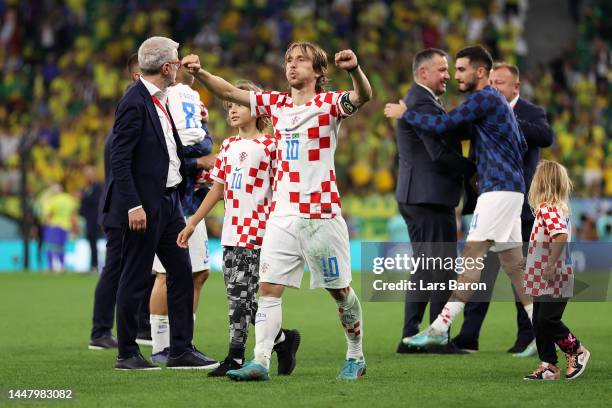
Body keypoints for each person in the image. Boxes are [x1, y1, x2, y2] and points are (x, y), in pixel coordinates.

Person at [182, 40, 372, 380]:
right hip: (282, 216)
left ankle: (355, 356)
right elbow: (228, 89)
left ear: (317, 71)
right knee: (268, 289)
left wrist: (355, 70)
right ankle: (260, 362)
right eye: (288, 59)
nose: (292, 65)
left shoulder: (328, 104)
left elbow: (363, 97)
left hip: (321, 214)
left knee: (340, 292)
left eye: (301, 60)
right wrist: (200, 72)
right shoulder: (276, 103)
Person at [385, 45, 532, 348]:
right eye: (447, 69)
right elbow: (516, 142)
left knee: (469, 258)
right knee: (513, 267)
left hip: (497, 190)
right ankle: (546, 331)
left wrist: (405, 114)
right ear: (423, 72)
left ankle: (439, 328)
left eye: (460, 69)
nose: (453, 75)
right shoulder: (495, 101)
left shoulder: (482, 98)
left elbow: (443, 126)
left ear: (480, 72)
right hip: (500, 189)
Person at [177, 80, 300, 377]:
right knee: (240, 297)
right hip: (232, 231)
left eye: (239, 104)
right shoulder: (229, 146)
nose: (232, 109)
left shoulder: (271, 146)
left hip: (261, 231)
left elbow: (285, 186)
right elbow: (216, 189)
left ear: (257, 109)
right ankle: (283, 340)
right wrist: (193, 221)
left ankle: (235, 357)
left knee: (240, 297)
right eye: (230, 105)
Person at [103, 36, 210, 370]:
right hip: (144, 208)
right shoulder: (134, 101)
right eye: (176, 61)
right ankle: (127, 353)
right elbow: (119, 158)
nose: (178, 65)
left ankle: (180, 350)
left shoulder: (160, 100)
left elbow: (166, 152)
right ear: (166, 68)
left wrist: (196, 166)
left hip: (169, 203)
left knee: (181, 271)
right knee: (134, 277)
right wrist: (133, 204)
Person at [454, 62, 554, 355]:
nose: (495, 87)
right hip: (489, 201)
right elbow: (473, 151)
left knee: (520, 275)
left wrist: (505, 117)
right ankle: (467, 337)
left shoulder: (530, 112)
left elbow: (546, 137)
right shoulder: (481, 108)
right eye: (492, 81)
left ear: (516, 87)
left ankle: (527, 337)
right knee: (480, 273)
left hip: (521, 208)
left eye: (501, 82)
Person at [389, 48, 476, 354]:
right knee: (442, 267)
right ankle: (437, 337)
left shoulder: (422, 101)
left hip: (420, 195)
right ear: (423, 72)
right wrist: (475, 169)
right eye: (441, 70)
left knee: (427, 266)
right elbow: (438, 153)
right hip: (428, 196)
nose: (447, 75)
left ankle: (410, 336)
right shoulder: (421, 102)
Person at [148, 65, 217, 367]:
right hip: (176, 203)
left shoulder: (188, 102)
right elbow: (171, 156)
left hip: (190, 202)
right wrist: (200, 161)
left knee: (199, 274)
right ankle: (163, 346)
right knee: (167, 273)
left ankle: (181, 342)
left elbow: (200, 144)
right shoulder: (163, 106)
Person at [523, 160, 590, 380]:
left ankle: (577, 351)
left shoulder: (548, 209)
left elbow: (559, 236)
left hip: (555, 276)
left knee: (548, 320)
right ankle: (549, 365)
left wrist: (550, 264)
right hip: (544, 277)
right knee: (540, 321)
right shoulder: (553, 208)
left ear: (540, 182)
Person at [79, 165, 103, 273]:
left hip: (95, 220)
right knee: (91, 243)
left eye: (89, 174)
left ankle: (95, 265)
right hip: (88, 220)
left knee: (94, 243)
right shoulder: (86, 188)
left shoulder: (97, 187)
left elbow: (95, 202)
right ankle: (93, 264)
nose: (87, 177)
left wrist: (84, 197)